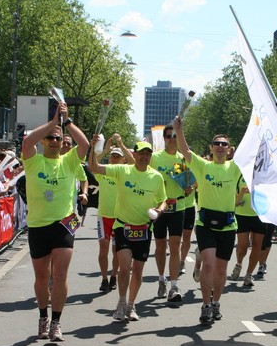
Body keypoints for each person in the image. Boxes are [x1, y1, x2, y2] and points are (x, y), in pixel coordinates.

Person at [21, 103, 89, 341]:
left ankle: (57, 323)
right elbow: (27, 142)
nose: (54, 141)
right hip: (38, 225)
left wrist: (66, 122)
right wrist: (52, 123)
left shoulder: (69, 161)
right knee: (42, 279)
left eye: (58, 138)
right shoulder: (33, 160)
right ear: (43, 141)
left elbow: (85, 145)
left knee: (59, 276)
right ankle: (43, 317)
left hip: (64, 225)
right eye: (50, 137)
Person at [89, 139, 166, 323]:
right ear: (134, 154)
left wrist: (159, 210)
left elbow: (163, 199)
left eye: (148, 154)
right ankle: (121, 302)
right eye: (141, 153)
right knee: (124, 268)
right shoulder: (122, 170)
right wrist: (93, 147)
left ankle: (131, 305)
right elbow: (94, 167)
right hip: (122, 226)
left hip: (144, 229)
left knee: (137, 271)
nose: (144, 157)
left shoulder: (156, 177)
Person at [175, 117, 241, 324]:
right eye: (216, 144)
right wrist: (179, 131)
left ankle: (216, 302)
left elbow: (253, 151)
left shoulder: (235, 167)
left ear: (229, 149)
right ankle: (205, 305)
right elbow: (185, 151)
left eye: (224, 144)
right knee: (209, 265)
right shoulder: (203, 166)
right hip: (205, 224)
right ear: (211, 148)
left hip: (228, 225)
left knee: (221, 269)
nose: (220, 147)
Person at [151, 125, 189, 302]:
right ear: (164, 138)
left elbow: (184, 182)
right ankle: (161, 279)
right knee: (160, 246)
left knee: (175, 246)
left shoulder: (182, 159)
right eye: (169, 136)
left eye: (175, 136)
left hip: (177, 207)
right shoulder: (155, 157)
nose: (172, 139)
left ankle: (174, 285)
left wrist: (188, 188)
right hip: (159, 208)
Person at [91, 136, 132, 292]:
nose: (114, 159)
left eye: (118, 156)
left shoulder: (126, 172)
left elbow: (134, 162)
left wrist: (121, 144)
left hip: (120, 218)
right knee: (103, 250)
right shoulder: (104, 172)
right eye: (112, 156)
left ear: (123, 160)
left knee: (116, 252)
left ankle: (114, 275)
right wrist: (106, 149)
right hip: (104, 216)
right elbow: (92, 164)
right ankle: (104, 279)